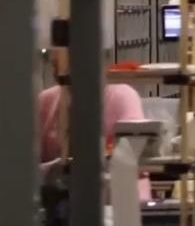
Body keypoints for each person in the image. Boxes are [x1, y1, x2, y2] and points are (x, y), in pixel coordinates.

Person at [39, 49, 150, 199]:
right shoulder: (46, 101)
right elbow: (27, 170)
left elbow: (132, 160)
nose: (53, 56)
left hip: (117, 201)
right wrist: (55, 169)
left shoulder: (122, 97)